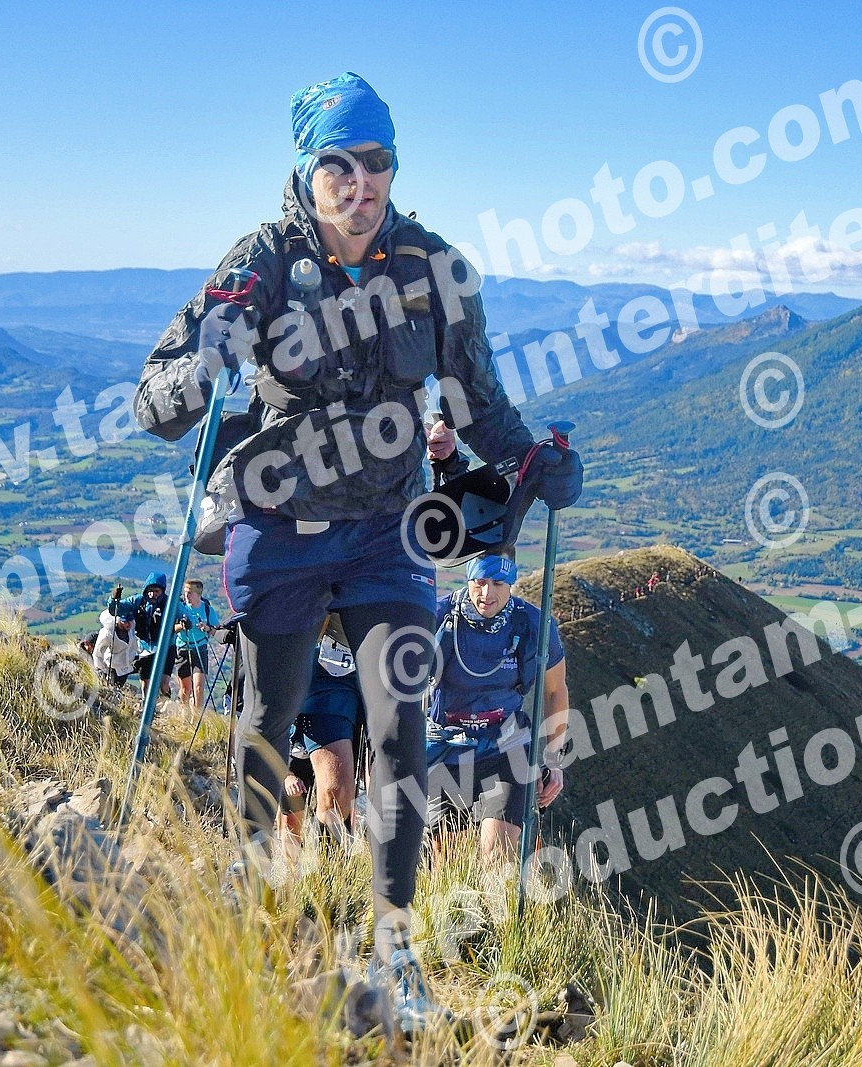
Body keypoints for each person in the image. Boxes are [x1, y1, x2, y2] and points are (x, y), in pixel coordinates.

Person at [132, 72, 582, 1029]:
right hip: (280, 524)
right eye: (338, 163)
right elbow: (156, 396)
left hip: (385, 530)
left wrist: (532, 460)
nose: (359, 182)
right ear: (307, 169)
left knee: (401, 723)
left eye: (376, 162)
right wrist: (202, 371)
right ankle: (249, 898)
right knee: (268, 714)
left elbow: (482, 404)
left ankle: (395, 949)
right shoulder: (261, 261)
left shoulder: (432, 268)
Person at [426, 554, 568, 866]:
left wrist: (554, 761)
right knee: (448, 863)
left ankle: (493, 898)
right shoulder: (438, 616)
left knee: (497, 856)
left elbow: (555, 690)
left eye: (498, 584)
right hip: (447, 747)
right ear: (468, 579)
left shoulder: (534, 624)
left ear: (511, 584)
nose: (487, 593)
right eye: (479, 582)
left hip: (508, 745)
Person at [280, 613, 362, 860]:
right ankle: (301, 872)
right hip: (319, 676)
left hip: (371, 672)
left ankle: (330, 871)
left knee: (345, 796)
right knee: (299, 808)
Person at [115, 573, 174, 700]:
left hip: (167, 647)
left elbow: (184, 615)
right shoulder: (138, 601)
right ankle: (147, 708)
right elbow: (117, 609)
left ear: (162, 591)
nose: (153, 594)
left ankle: (166, 707)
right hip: (146, 648)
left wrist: (186, 622)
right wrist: (115, 600)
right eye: (150, 590)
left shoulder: (170, 603)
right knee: (146, 685)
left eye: (157, 591)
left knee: (163, 685)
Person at [174, 578, 221, 717]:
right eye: (185, 592)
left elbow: (216, 630)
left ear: (198, 594)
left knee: (199, 687)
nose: (186, 595)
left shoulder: (207, 609)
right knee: (185, 688)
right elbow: (171, 628)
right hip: (183, 648)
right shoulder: (180, 607)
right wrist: (182, 626)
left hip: (200, 648)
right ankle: (184, 714)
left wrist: (207, 628)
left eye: (190, 593)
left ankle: (197, 718)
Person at [92, 610, 138, 690]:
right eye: (125, 622)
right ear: (118, 621)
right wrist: (100, 670)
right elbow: (97, 653)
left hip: (125, 665)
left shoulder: (131, 628)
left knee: (119, 688)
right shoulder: (108, 633)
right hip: (112, 667)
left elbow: (133, 644)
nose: (128, 624)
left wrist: (132, 657)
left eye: (130, 621)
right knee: (113, 689)